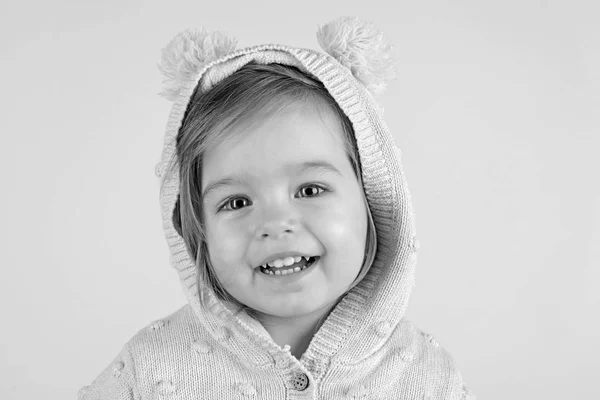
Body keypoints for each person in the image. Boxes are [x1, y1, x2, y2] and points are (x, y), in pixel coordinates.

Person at [79, 17, 474, 399]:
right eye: (236, 202)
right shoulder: (149, 370)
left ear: (372, 198)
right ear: (195, 226)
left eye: (310, 189)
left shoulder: (425, 375)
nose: (274, 223)